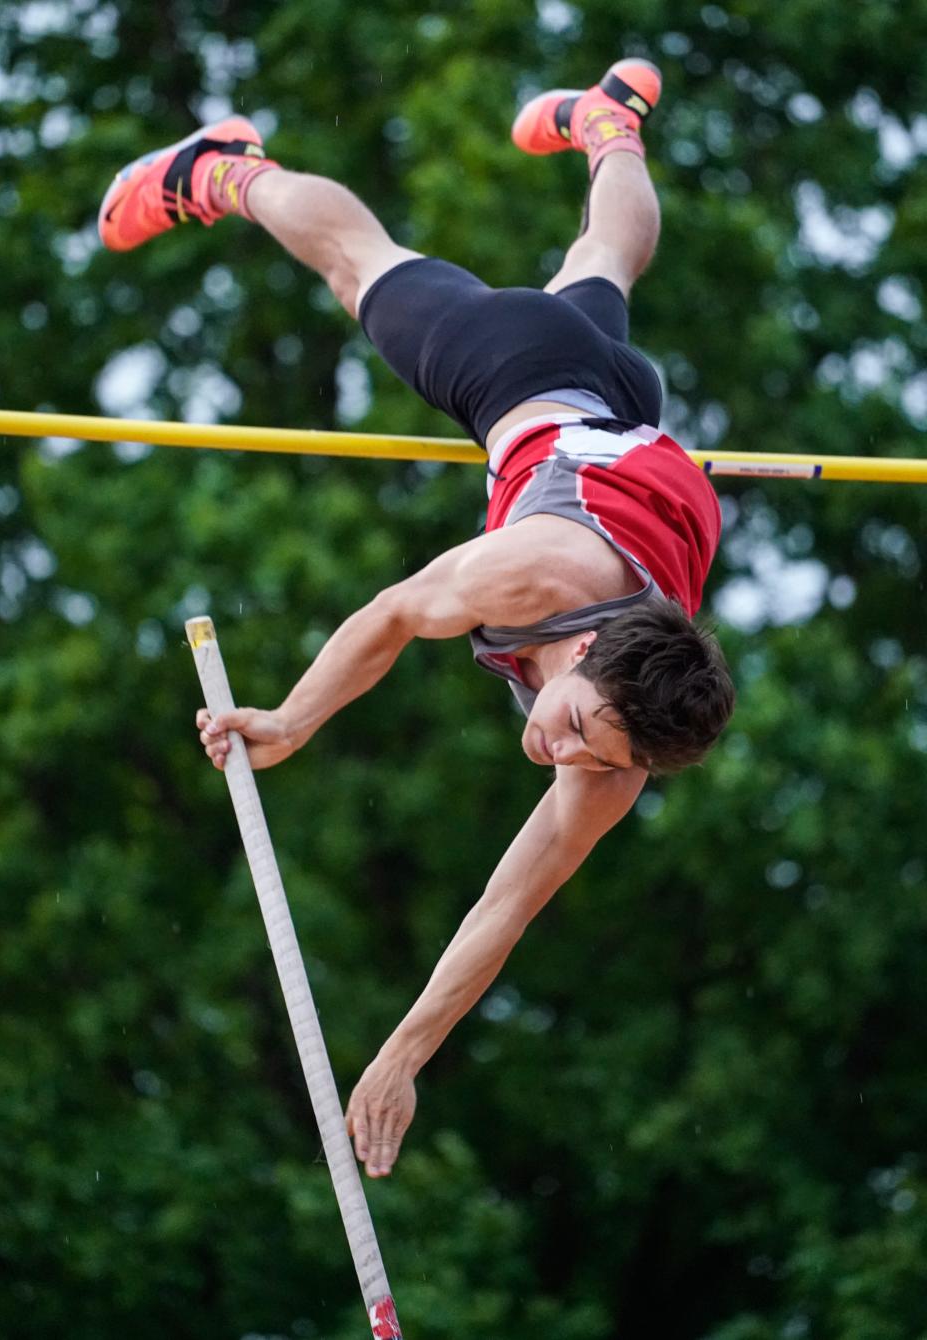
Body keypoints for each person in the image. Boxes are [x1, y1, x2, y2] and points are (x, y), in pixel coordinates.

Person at [99, 58, 734, 1178]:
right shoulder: (535, 576)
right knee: (362, 266)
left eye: (595, 750)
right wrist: (291, 721)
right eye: (580, 723)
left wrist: (401, 1052)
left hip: (625, 414)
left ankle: (612, 124)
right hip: (524, 380)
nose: (563, 749)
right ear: (583, 649)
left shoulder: (627, 744)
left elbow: (507, 905)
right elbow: (392, 613)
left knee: (605, 263)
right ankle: (226, 171)